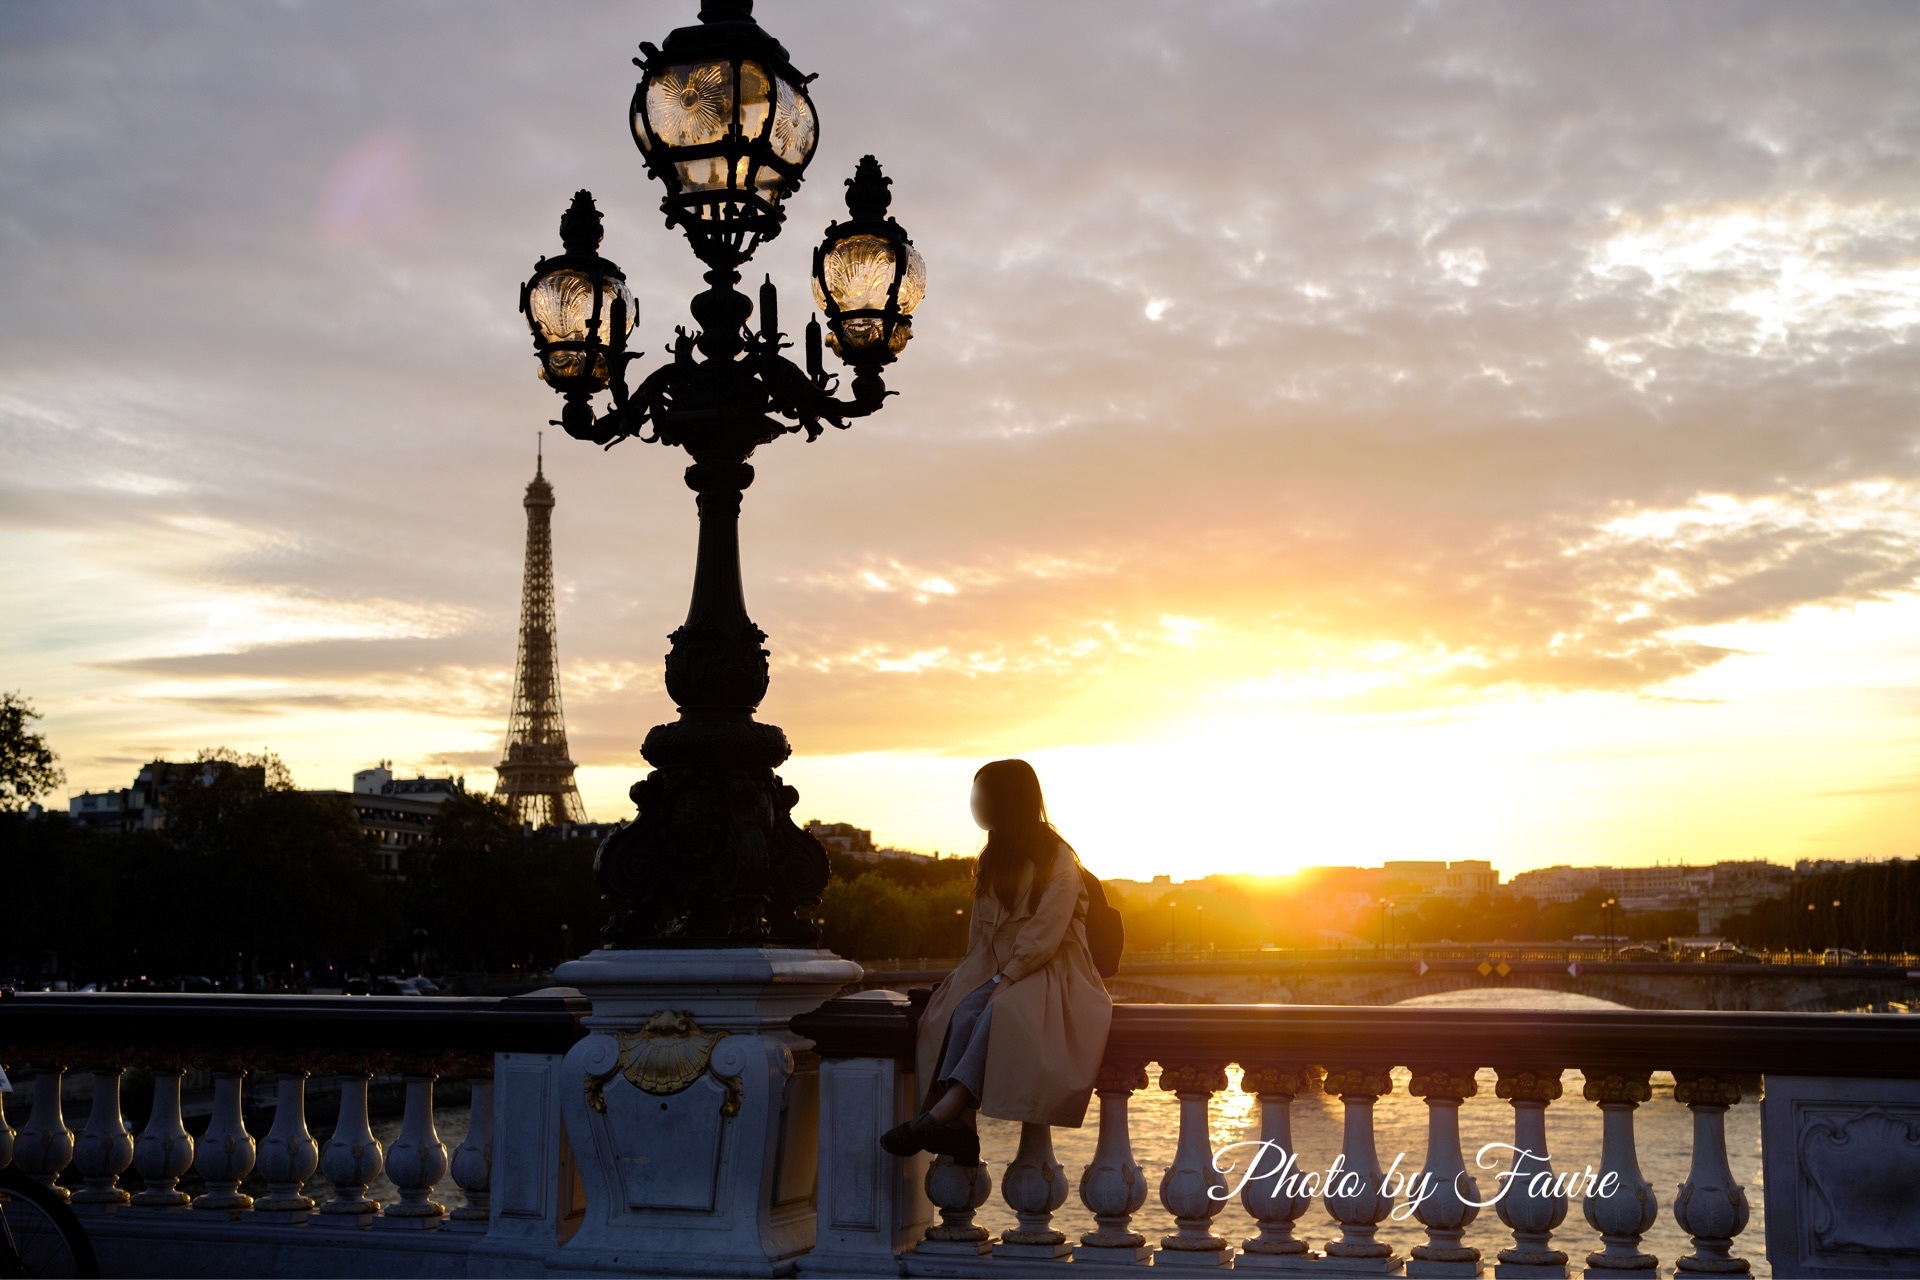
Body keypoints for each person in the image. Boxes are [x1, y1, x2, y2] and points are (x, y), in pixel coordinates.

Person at [879, 758, 1114, 1166]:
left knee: (1000, 1010)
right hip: (1004, 968)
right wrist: (973, 979)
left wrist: (1007, 978)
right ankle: (957, 1127)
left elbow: (1047, 932)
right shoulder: (992, 858)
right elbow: (982, 935)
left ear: (1007, 801)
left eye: (983, 795)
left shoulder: (1057, 858)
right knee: (957, 1009)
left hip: (1055, 969)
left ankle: (940, 1114)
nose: (976, 804)